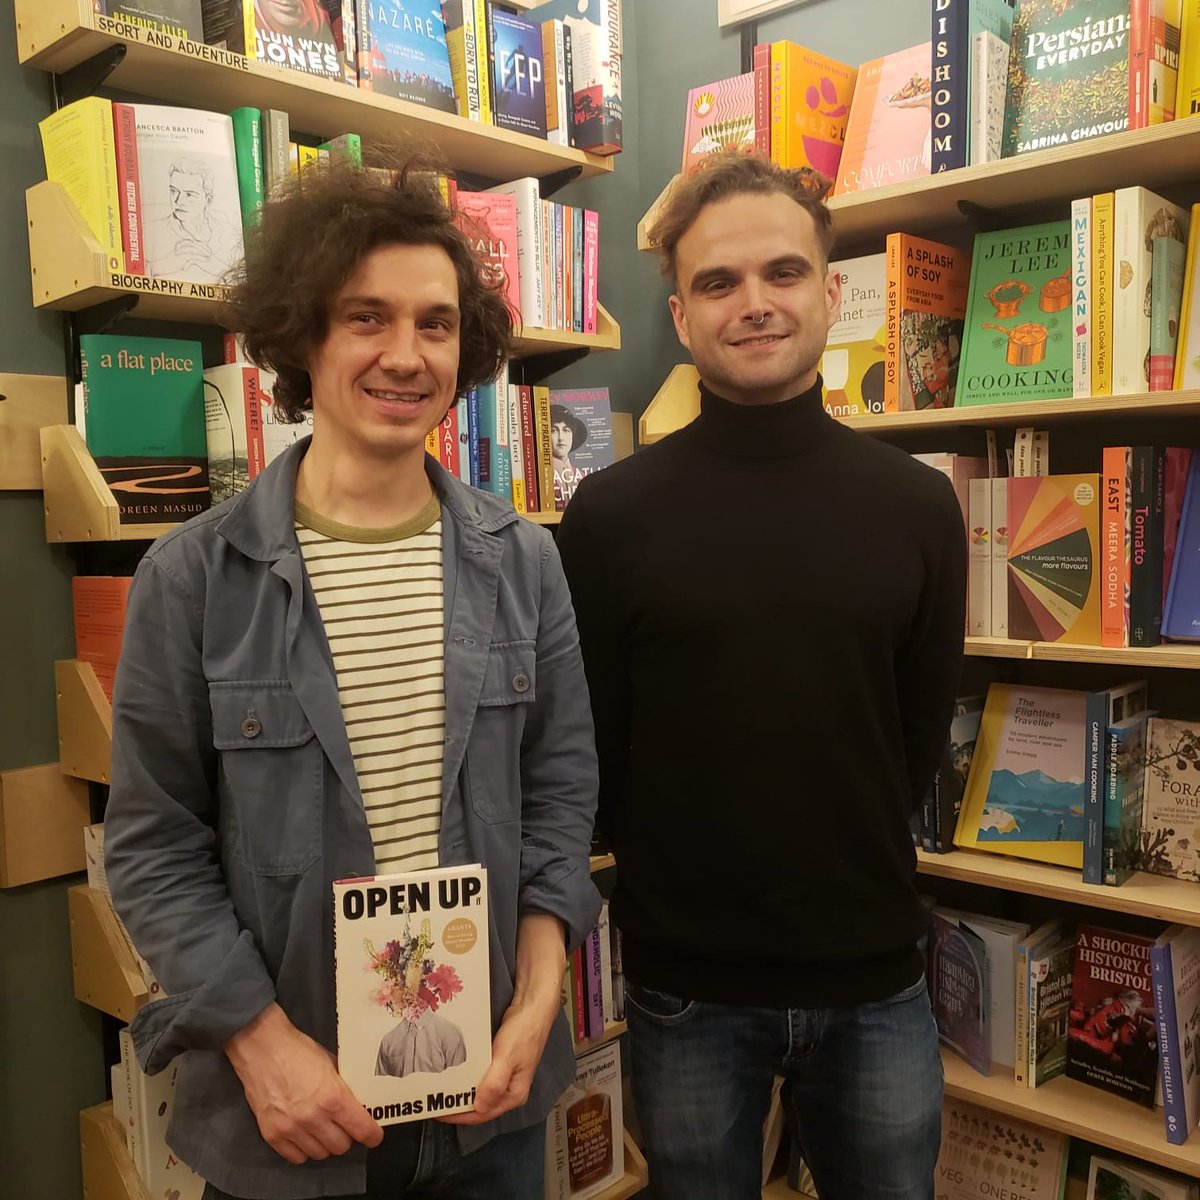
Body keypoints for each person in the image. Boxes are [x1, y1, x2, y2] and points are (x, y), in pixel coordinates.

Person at [104, 146, 601, 1200]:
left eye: (436, 323)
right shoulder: (192, 578)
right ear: (305, 336)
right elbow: (154, 851)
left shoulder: (525, 562)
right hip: (292, 1119)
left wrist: (539, 999)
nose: (406, 356)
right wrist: (261, 1047)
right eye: (366, 317)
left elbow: (560, 799)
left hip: (489, 1110)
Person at [556, 151, 967, 1200]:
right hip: (685, 987)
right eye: (718, 282)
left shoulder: (920, 507)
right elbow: (599, 747)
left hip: (875, 976)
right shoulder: (608, 519)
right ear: (681, 316)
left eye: (783, 272)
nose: (754, 302)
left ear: (830, 292)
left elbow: (916, 736)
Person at [142, 157, 243, 284]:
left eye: (189, 195)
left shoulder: (230, 235)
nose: (178, 201)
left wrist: (218, 268)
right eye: (173, 191)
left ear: (208, 200)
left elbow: (248, 285)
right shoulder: (149, 231)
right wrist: (161, 266)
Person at [549, 403, 587, 509]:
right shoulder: (539, 476)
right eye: (554, 430)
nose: (561, 438)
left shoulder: (581, 477)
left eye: (566, 430)